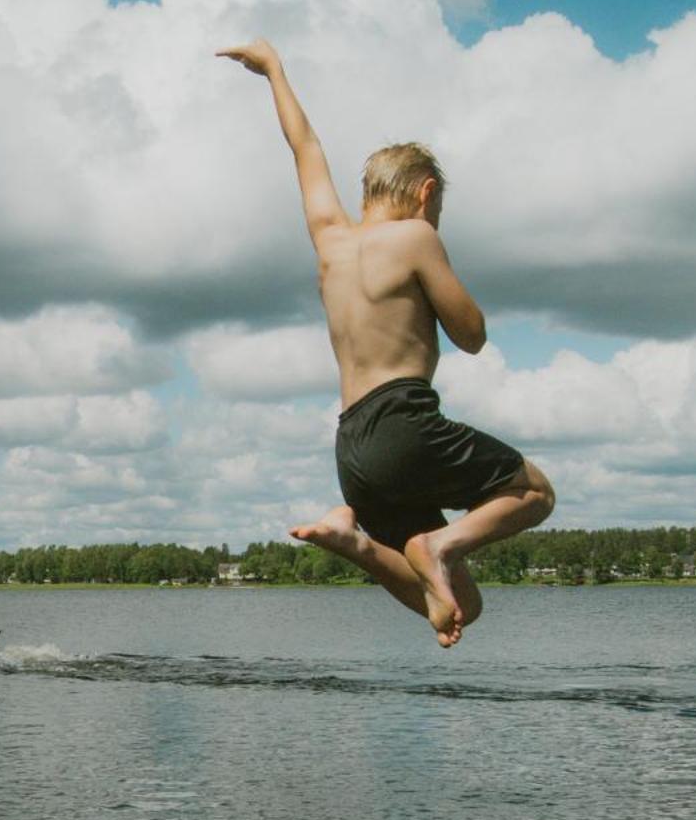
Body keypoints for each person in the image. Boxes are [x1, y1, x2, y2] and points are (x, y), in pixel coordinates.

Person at [218, 39, 555, 647]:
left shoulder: (330, 243)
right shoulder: (414, 237)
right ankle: (441, 542)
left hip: (354, 451)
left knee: (458, 606)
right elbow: (472, 336)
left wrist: (274, 70)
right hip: (405, 421)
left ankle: (354, 544)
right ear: (425, 193)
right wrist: (433, 257)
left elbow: (305, 149)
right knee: (533, 491)